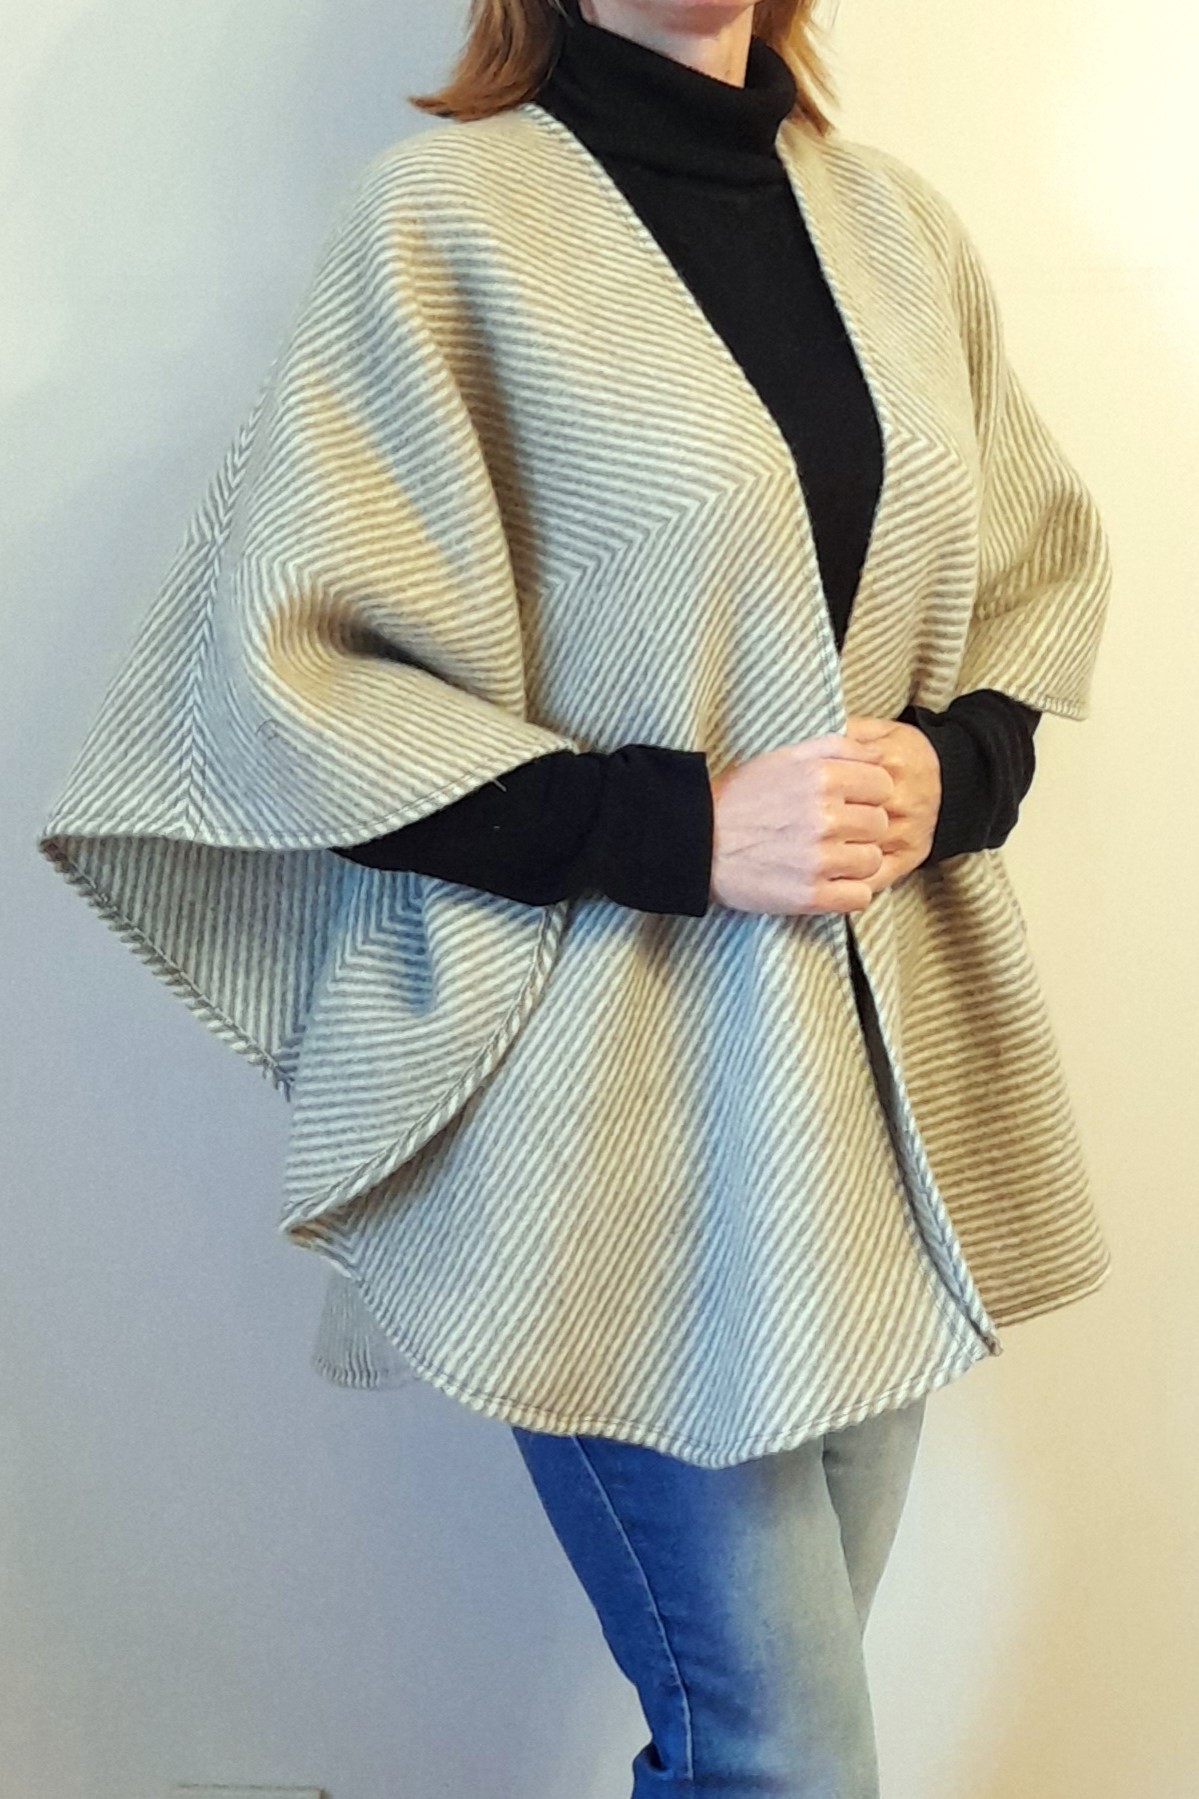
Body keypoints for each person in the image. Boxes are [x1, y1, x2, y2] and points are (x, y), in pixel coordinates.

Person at [36, 1, 1113, 1791]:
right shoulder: (446, 224)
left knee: (755, 1745)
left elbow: (1033, 571)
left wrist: (955, 769)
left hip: (862, 1120)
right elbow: (296, 685)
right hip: (613, 1133)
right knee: (785, 1752)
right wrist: (686, 827)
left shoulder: (897, 226)